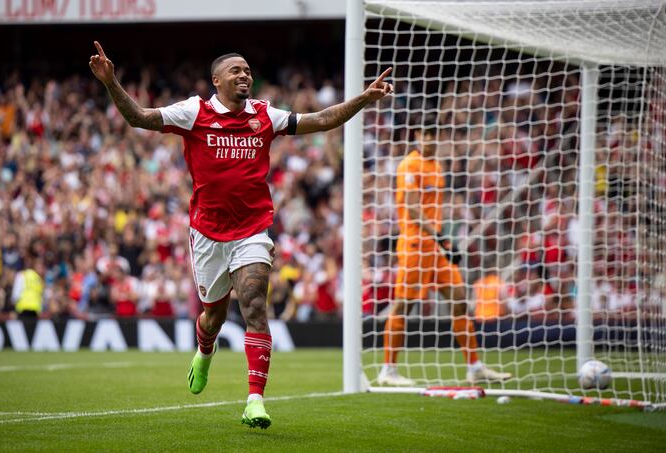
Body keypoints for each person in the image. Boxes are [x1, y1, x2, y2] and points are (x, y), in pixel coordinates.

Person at [89, 41, 393, 429]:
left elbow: (319, 119)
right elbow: (139, 118)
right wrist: (111, 82)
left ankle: (255, 401)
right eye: (236, 70)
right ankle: (204, 350)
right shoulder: (194, 112)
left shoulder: (264, 115)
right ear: (217, 80)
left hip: (252, 228)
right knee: (212, 317)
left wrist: (363, 99)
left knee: (253, 305)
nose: (245, 75)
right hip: (208, 232)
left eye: (248, 70)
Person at [378, 126, 512, 386]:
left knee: (460, 300)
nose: (428, 140)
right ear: (416, 137)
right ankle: (388, 370)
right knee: (403, 306)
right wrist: (442, 238)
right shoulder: (409, 166)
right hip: (416, 246)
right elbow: (414, 210)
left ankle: (474, 367)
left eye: (432, 135)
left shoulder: (437, 167)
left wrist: (442, 241)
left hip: (436, 247)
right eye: (423, 135)